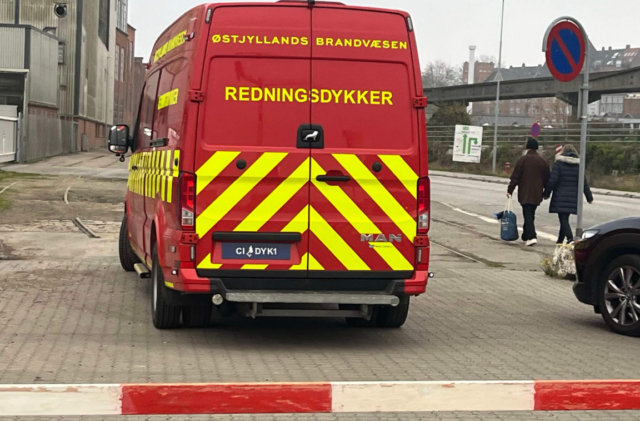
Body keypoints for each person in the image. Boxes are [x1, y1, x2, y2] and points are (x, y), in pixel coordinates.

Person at [543, 144, 594, 244]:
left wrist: (546, 193)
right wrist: (589, 197)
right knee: (564, 218)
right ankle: (560, 241)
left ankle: (570, 238)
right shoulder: (579, 166)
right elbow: (583, 183)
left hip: (560, 195)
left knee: (563, 218)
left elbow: (553, 180)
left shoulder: (559, 164)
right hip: (573, 197)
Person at [507, 138, 551, 246]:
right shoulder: (543, 161)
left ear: (527, 147)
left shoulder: (522, 160)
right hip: (537, 192)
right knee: (531, 213)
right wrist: (546, 193)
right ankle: (526, 235)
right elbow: (547, 179)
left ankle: (532, 236)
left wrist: (510, 190)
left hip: (525, 191)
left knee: (527, 213)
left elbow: (515, 177)